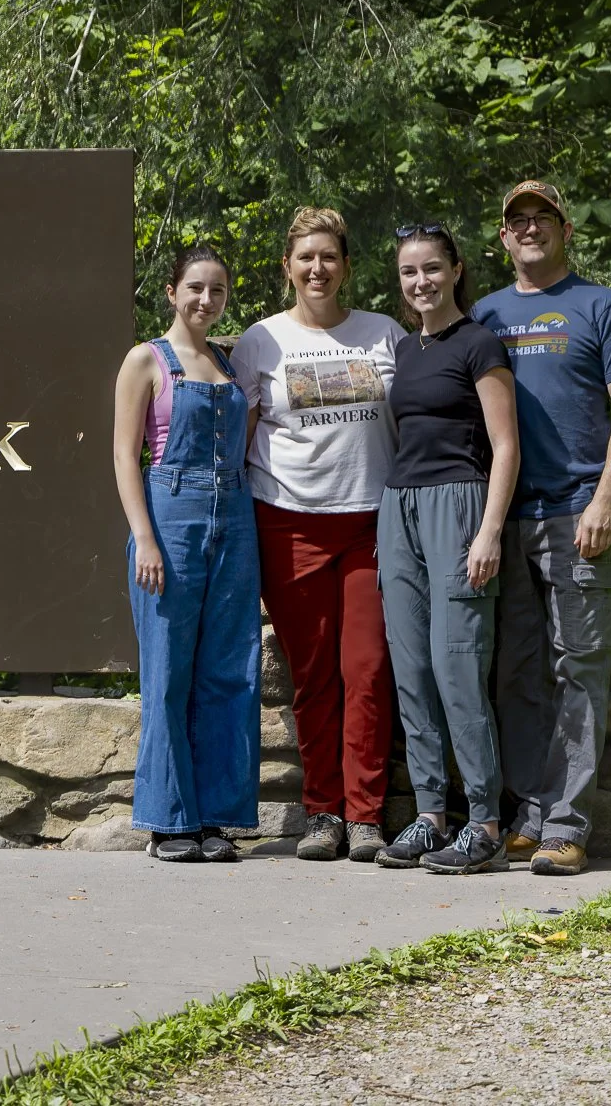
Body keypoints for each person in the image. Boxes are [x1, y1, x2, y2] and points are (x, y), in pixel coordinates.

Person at [474, 179, 611, 877]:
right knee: (516, 673)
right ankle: (534, 814)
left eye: (543, 216)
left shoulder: (600, 306)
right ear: (504, 236)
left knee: (578, 667)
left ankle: (569, 826)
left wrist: (606, 498)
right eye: (518, 219)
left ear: (565, 229)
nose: (531, 227)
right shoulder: (484, 314)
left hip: (577, 510)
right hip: (507, 516)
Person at [233, 207, 404, 863]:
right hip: (287, 519)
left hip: (369, 523)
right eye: (306, 257)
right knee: (313, 678)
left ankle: (365, 817)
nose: (317, 268)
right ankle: (323, 814)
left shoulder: (382, 334)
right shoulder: (261, 341)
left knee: (367, 670)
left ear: (346, 265)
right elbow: (242, 435)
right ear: (288, 267)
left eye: (329, 256)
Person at [372, 226, 519, 874]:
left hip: (459, 504)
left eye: (432, 268)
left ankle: (484, 821)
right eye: (409, 273)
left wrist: (488, 530)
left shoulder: (479, 342)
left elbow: (506, 445)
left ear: (456, 270)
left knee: (458, 666)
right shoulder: (403, 349)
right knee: (413, 668)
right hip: (398, 506)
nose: (420, 282)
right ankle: (432, 816)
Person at [113, 245, 261, 862]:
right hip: (170, 519)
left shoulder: (228, 364)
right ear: (171, 291)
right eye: (195, 288)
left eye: (218, 291)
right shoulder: (145, 360)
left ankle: (216, 817)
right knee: (169, 670)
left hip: (234, 516)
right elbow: (126, 457)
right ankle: (169, 820)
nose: (206, 300)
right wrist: (144, 537)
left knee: (230, 670)